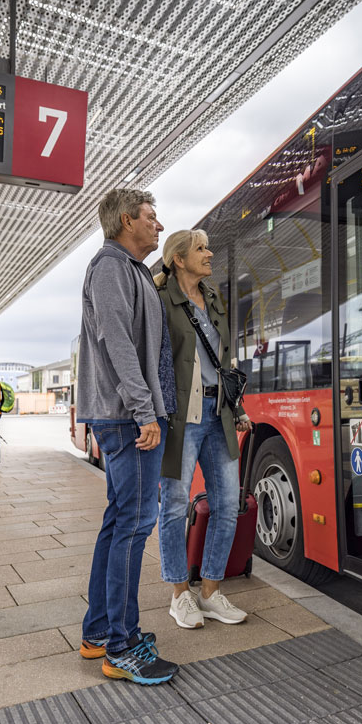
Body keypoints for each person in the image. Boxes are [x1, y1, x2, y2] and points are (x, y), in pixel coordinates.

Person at [75, 188, 180, 685]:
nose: (158, 226)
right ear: (125, 220)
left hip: (124, 415)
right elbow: (117, 343)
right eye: (151, 218)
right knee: (135, 526)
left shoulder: (132, 270)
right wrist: (146, 413)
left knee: (120, 523)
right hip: (127, 418)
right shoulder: (111, 267)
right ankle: (122, 645)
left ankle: (99, 633)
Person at [154, 229, 251, 629]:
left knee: (228, 505)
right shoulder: (161, 301)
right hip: (182, 418)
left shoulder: (212, 298)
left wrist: (238, 406)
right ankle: (180, 595)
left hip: (219, 413)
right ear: (178, 258)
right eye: (201, 249)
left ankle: (210, 592)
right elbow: (156, 361)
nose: (210, 254)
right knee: (175, 508)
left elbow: (223, 361)